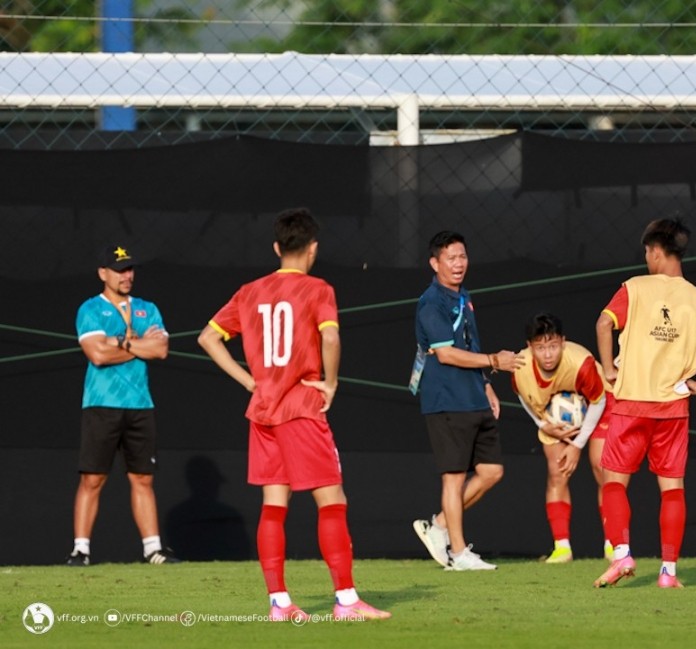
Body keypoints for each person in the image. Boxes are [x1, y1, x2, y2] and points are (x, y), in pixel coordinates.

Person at [197, 207, 390, 622]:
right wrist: (332, 383)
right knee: (332, 500)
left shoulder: (250, 290)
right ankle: (346, 600)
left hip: (264, 410)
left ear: (276, 247)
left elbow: (208, 338)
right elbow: (332, 337)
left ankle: (279, 604)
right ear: (313, 248)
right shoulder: (318, 289)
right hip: (301, 408)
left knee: (274, 503)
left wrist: (248, 380)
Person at [594, 218, 696, 589]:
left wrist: (609, 368)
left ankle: (623, 554)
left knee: (613, 481)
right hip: (674, 409)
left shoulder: (635, 287)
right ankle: (668, 573)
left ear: (656, 252)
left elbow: (603, 324)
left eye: (647, 252)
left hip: (631, 402)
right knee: (672, 489)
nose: (646, 258)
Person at [411, 230, 524, 571]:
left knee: (491, 471)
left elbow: (470, 345)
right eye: (450, 258)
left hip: (473, 395)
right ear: (435, 263)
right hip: (446, 399)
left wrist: (487, 384)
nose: (458, 264)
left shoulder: (464, 297)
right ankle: (458, 554)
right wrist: (494, 361)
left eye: (462, 256)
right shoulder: (431, 302)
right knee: (454, 476)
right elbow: (445, 354)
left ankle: (440, 525)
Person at [68, 245, 176, 566]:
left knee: (143, 478)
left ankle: (152, 550)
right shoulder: (90, 309)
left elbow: (161, 350)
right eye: (119, 270)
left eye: (130, 269)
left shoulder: (147, 308)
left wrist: (121, 341)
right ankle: (81, 550)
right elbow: (97, 355)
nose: (127, 276)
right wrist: (138, 345)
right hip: (101, 403)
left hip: (140, 404)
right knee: (93, 478)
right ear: (103, 273)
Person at [511, 312, 614, 564]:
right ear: (529, 347)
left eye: (553, 346)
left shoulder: (582, 364)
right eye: (541, 348)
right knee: (558, 472)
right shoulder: (520, 368)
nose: (548, 354)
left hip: (600, 404)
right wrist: (544, 425)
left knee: (603, 469)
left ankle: (614, 544)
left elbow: (598, 401)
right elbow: (525, 397)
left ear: (563, 342)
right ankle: (562, 547)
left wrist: (578, 445)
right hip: (552, 415)